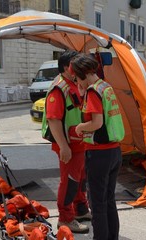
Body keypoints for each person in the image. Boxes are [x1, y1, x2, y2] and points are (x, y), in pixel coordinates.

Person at [70, 53, 125, 240]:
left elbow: (97, 122)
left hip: (99, 155)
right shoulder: (105, 87)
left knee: (97, 203)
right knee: (109, 200)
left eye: (77, 77)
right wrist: (82, 91)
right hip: (114, 152)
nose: (76, 81)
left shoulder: (94, 91)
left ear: (82, 73)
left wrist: (80, 127)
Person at [41, 50, 91, 234]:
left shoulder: (75, 84)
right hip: (68, 145)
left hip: (80, 143)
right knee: (69, 181)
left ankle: (80, 210)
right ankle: (65, 219)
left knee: (80, 179)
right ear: (66, 67)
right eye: (76, 63)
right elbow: (53, 119)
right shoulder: (59, 88)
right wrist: (63, 146)